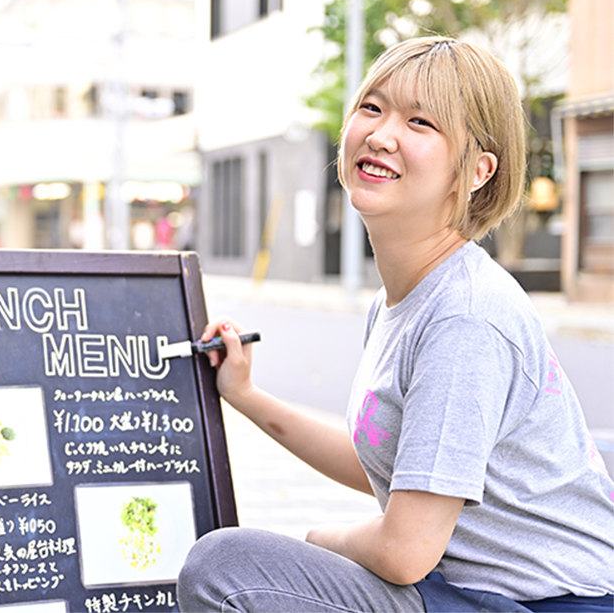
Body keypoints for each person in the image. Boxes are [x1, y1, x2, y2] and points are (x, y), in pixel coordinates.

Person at [176, 36, 614, 613]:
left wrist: (318, 541)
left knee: (226, 569)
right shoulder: (401, 299)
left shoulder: (464, 317)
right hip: (465, 590)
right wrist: (244, 394)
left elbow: (405, 550)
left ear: (479, 169)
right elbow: (392, 463)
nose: (382, 135)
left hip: (541, 603)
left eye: (421, 122)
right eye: (372, 108)